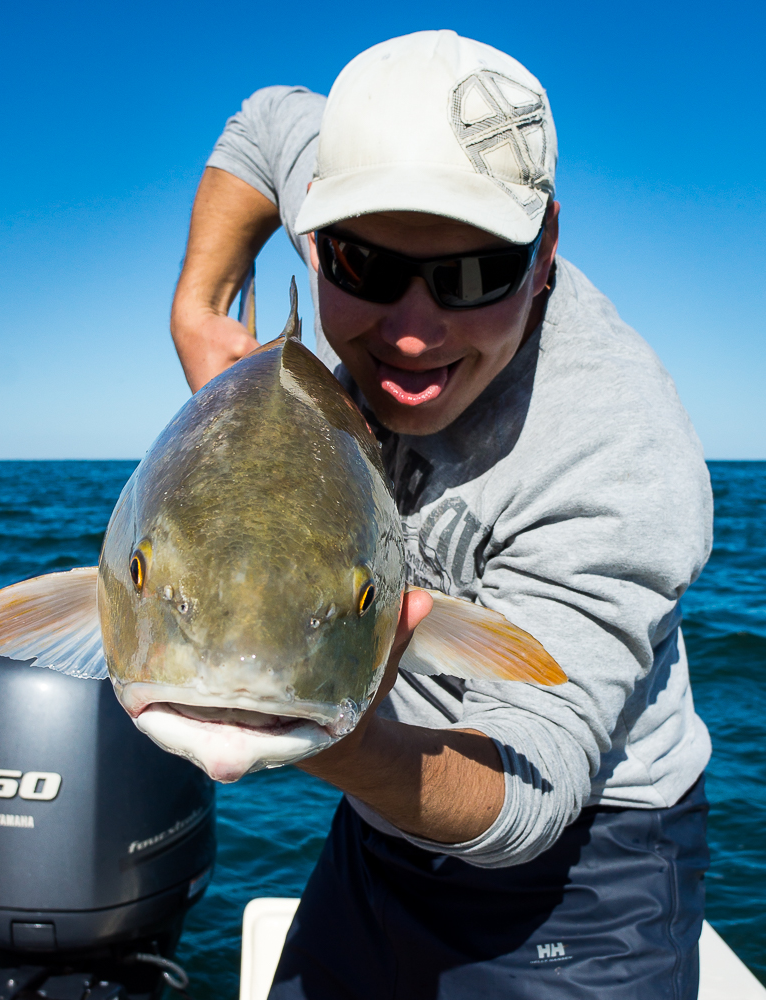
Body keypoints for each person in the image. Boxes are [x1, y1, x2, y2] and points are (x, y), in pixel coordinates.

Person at [171, 30, 713, 1000]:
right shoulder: (347, 181)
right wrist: (202, 309)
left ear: (544, 250)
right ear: (321, 234)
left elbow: (530, 781)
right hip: (380, 818)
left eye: (473, 275)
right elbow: (263, 126)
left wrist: (348, 746)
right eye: (364, 266)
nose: (414, 331)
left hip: (584, 865)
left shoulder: (618, 457)